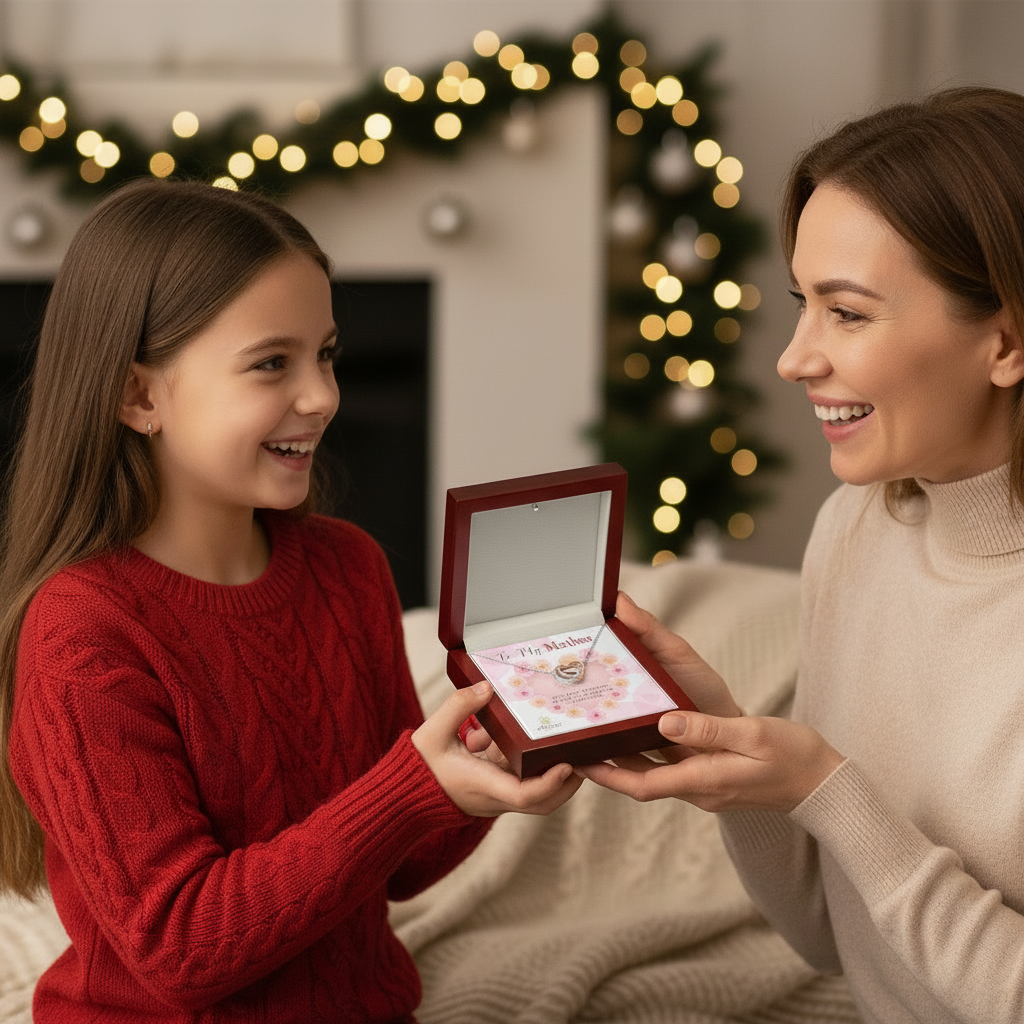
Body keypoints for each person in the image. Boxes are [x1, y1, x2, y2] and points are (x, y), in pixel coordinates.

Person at [0, 178, 581, 1023]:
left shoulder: (348, 569)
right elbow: (180, 949)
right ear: (139, 397)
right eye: (272, 363)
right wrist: (410, 785)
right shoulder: (83, 632)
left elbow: (397, 864)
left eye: (327, 354)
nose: (323, 397)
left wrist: (511, 750)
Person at [580, 86, 1024, 1023]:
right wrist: (737, 761)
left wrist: (829, 789)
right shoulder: (857, 530)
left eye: (848, 313)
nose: (793, 359)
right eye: (802, 304)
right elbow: (830, 936)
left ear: (1007, 342)